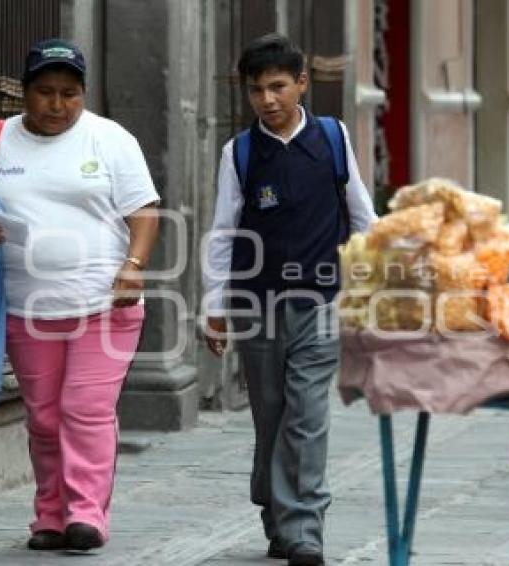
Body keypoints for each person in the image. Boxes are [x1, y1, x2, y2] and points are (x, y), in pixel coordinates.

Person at [0, 39, 160, 552]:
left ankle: (87, 515)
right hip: (25, 305)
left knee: (84, 409)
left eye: (69, 94)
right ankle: (50, 514)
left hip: (104, 303)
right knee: (44, 416)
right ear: (23, 93)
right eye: (45, 92)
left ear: (83, 94)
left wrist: (133, 266)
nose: (57, 104)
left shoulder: (109, 139)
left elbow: (144, 210)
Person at [202, 33, 376, 566]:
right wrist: (215, 305)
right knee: (271, 414)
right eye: (257, 90)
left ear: (302, 82)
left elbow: (362, 213)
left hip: (322, 300)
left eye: (279, 86)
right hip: (257, 307)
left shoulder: (332, 136)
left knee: (306, 414)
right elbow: (224, 233)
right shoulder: (241, 152)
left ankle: (304, 529)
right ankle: (276, 517)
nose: (268, 99)